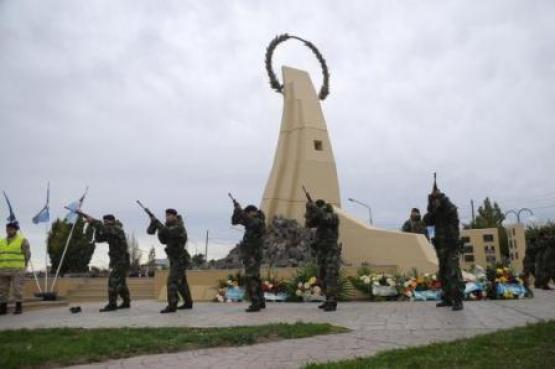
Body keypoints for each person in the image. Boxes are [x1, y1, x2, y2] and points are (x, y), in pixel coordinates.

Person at [423, 175, 464, 311]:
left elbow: (450, 210)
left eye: (436, 200)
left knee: (453, 272)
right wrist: (430, 209)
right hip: (440, 247)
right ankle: (447, 298)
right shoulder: (435, 214)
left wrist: (441, 198)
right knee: (443, 273)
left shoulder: (450, 211)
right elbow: (428, 222)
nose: (435, 202)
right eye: (434, 200)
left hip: (451, 246)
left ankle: (458, 300)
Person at [148, 209, 193, 313]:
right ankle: (188, 303)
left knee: (172, 281)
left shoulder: (179, 226)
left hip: (180, 259)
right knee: (181, 282)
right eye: (166, 215)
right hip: (174, 258)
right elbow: (163, 240)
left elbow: (169, 232)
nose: (167, 217)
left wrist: (158, 224)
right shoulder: (168, 227)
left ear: (174, 216)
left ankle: (172, 305)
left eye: (169, 215)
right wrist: (155, 224)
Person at [86, 214, 131, 312]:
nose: (105, 224)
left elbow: (104, 228)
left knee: (112, 281)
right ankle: (126, 302)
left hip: (121, 260)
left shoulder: (117, 229)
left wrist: (94, 222)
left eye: (106, 222)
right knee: (121, 283)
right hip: (117, 260)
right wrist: (95, 227)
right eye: (104, 222)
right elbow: (98, 239)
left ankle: (112, 304)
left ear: (111, 221)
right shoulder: (110, 232)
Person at [305, 199, 341, 312]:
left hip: (331, 251)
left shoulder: (333, 217)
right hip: (322, 252)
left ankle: (332, 301)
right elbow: (309, 223)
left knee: (331, 276)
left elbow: (325, 218)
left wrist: (315, 208)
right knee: (323, 276)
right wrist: (309, 209)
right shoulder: (320, 219)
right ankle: (327, 299)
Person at [231, 202, 266, 312]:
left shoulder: (258, 220)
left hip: (253, 255)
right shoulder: (251, 220)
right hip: (251, 254)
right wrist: (236, 209)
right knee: (255, 277)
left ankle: (255, 303)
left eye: (247, 213)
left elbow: (247, 219)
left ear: (252, 212)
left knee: (251, 278)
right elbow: (235, 221)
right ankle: (260, 301)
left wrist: (240, 210)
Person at [0, 221, 31, 315]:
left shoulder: (22, 240)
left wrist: (24, 264)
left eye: (11, 229)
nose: (8, 230)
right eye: (7, 229)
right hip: (3, 269)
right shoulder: (1, 241)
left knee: (17, 288)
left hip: (17, 269)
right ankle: (2, 308)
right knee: (2, 289)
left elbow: (27, 254)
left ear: (15, 230)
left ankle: (18, 307)